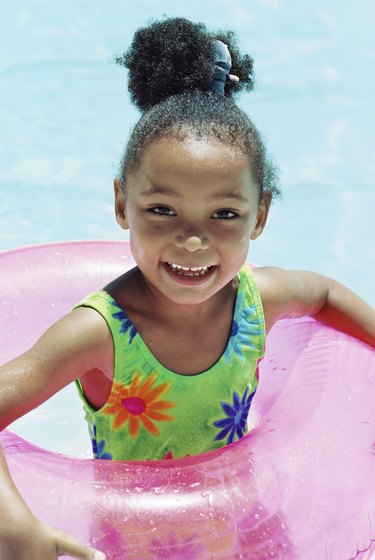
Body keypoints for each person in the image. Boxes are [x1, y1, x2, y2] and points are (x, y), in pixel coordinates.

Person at [0, 16, 374, 560]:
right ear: (121, 204)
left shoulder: (256, 301)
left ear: (260, 215)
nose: (193, 240)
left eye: (224, 213)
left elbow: (323, 294)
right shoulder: (99, 334)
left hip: (244, 521)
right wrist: (15, 524)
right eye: (161, 210)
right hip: (135, 541)